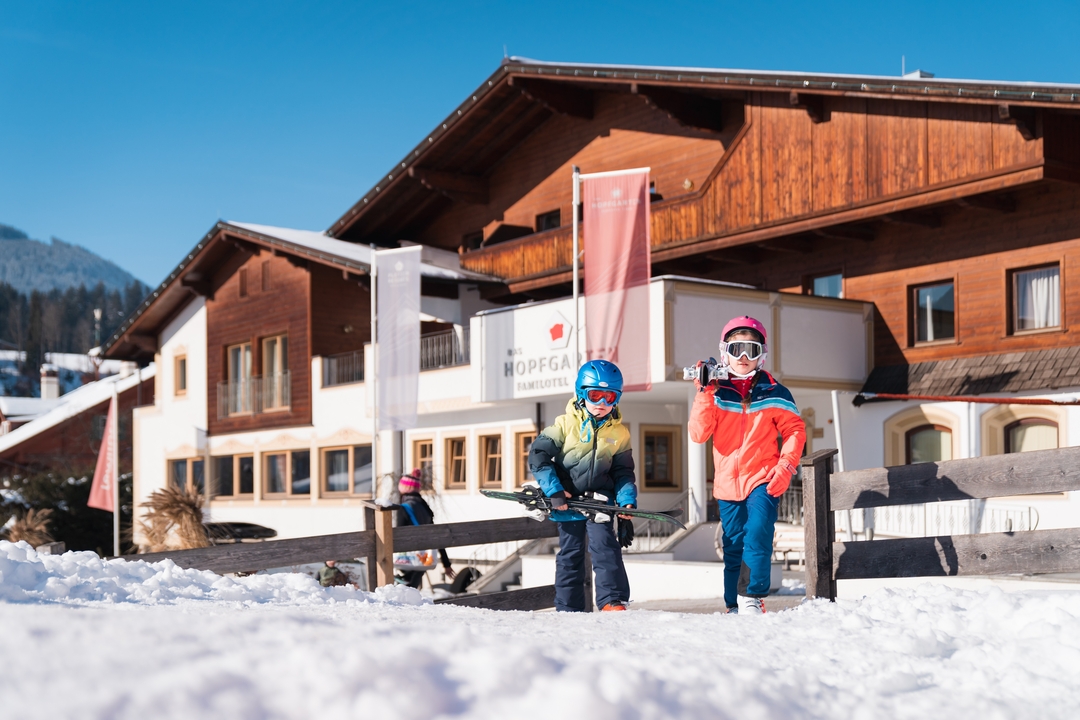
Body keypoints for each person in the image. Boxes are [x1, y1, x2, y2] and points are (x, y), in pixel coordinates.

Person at [688, 316, 805, 615]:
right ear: (724, 352)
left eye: (751, 350)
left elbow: (795, 430)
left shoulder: (775, 391)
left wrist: (785, 467)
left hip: (763, 478)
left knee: (757, 530)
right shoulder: (715, 391)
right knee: (733, 544)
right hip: (727, 482)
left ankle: (752, 596)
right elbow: (699, 434)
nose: (742, 357)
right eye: (736, 349)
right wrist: (705, 393)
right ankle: (733, 604)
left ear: (762, 354)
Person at [529, 360, 638, 612]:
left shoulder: (620, 433)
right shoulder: (564, 425)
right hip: (568, 500)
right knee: (571, 553)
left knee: (605, 547)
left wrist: (626, 501)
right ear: (581, 393)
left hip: (599, 500)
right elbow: (538, 455)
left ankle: (612, 600)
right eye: (595, 395)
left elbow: (623, 471)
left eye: (610, 397)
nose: (602, 403)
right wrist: (554, 490)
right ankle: (569, 608)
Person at [395, 469, 455, 589]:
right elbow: (435, 534)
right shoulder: (424, 507)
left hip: (409, 559)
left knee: (405, 591)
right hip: (424, 558)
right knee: (413, 589)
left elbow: (398, 535)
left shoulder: (404, 508)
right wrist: (446, 563)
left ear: (404, 488)